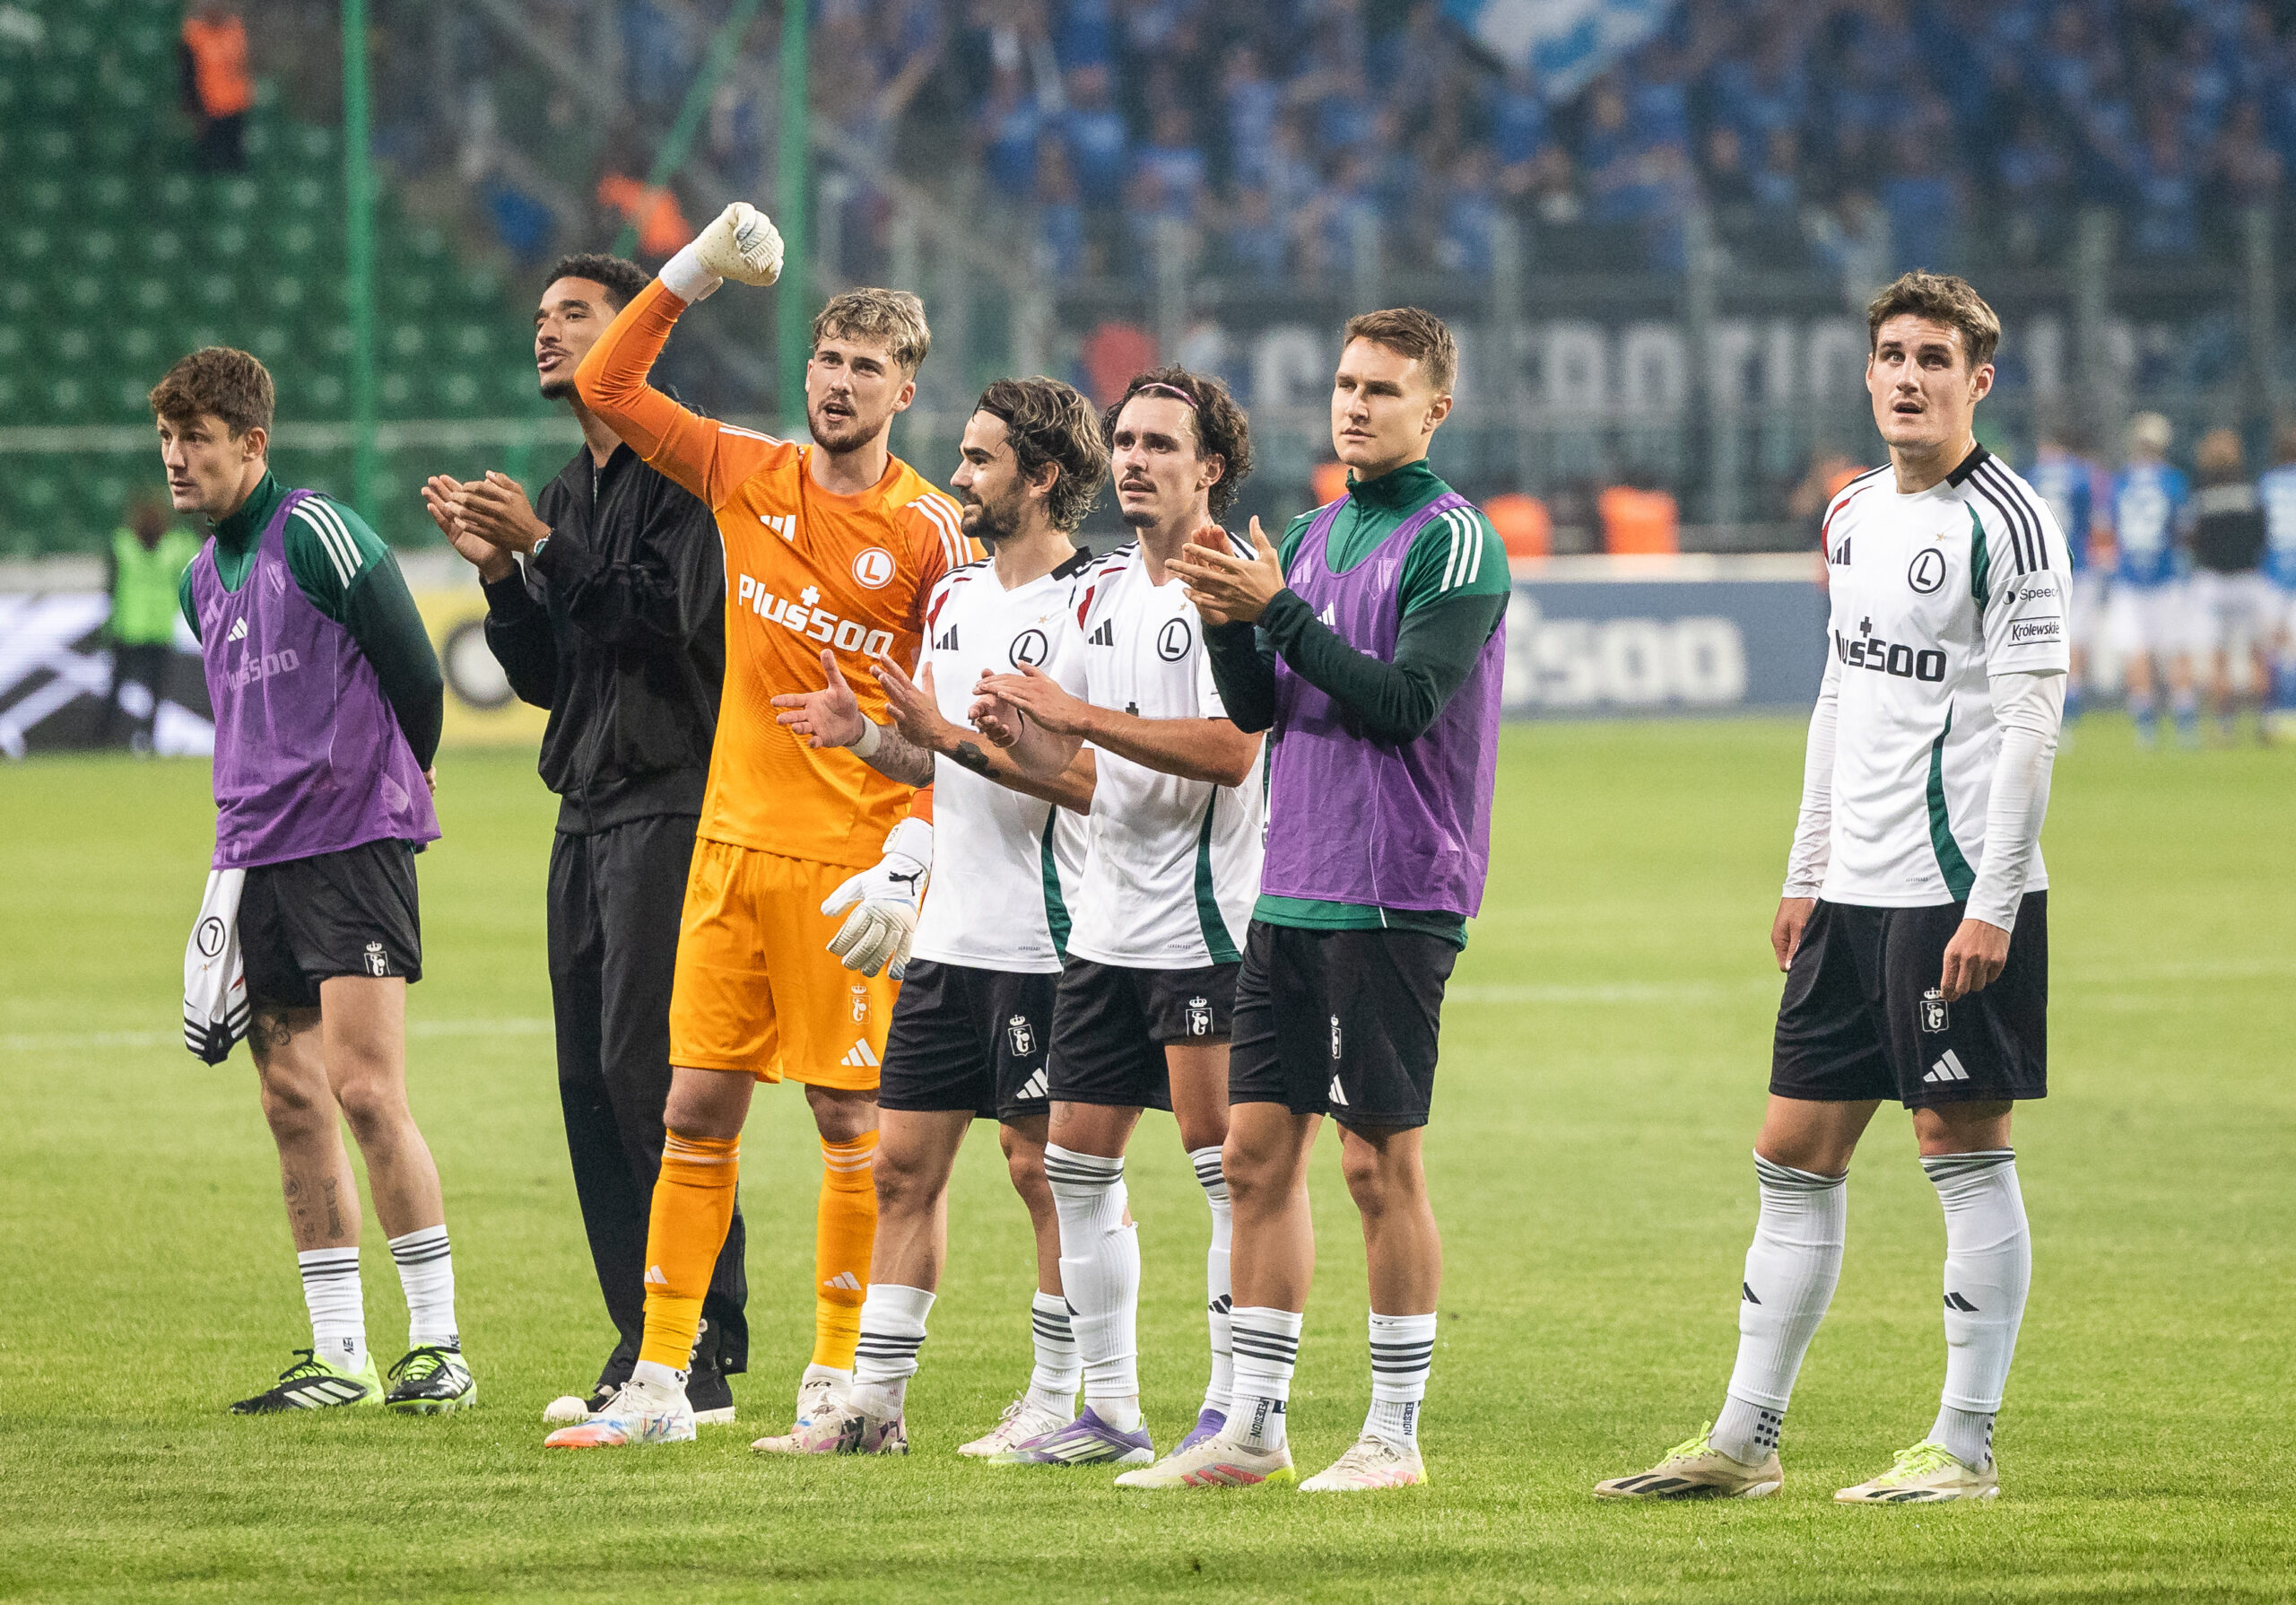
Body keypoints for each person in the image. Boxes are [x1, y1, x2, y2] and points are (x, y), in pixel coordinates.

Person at [1595, 271, 2066, 1505]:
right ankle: (1746, 1440)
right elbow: (1843, 695)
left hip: (1952, 886)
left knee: (1959, 1144)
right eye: (1892, 355)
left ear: (1979, 380)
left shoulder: (2007, 523)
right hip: (1851, 895)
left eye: (1935, 358)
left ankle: (1963, 1445)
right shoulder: (1850, 514)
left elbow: (2031, 723)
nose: (1909, 376)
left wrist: (1995, 901)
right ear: (1867, 373)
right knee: (1792, 1150)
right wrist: (1808, 869)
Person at [543, 205, 976, 1452]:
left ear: (905, 387)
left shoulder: (931, 533)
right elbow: (608, 379)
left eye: (866, 369)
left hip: (853, 868)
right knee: (692, 1110)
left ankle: (838, 1376)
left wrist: (916, 853)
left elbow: (952, 725)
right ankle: (665, 1381)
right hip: (729, 849)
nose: (839, 385)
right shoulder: (747, 472)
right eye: (827, 362)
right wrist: (692, 272)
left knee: (850, 1126)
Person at [1135, 308, 1511, 1492]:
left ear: (1434, 410)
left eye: (1383, 390)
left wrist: (1276, 612)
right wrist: (1226, 625)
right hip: (1291, 885)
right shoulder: (1306, 530)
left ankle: (1394, 1435)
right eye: (1346, 384)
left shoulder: (1456, 544)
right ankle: (1254, 1427)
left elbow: (1404, 702)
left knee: (1374, 1165)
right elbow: (1261, 710)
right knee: (1255, 1155)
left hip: (1397, 889)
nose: (1355, 404)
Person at [421, 253, 747, 1426]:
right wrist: (508, 578)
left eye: (577, 315)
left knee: (649, 1075)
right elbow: (553, 679)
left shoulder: (691, 473)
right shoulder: (565, 486)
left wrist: (549, 552)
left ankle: (694, 1346)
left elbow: (670, 628)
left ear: (636, 345)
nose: (549, 331)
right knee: (587, 1083)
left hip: (673, 796)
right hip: (588, 808)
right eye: (543, 312)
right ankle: (646, 1337)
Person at [764, 377, 1109, 1455]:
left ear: (1041, 477)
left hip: (1047, 936)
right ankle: (873, 1408)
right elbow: (934, 756)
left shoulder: (1091, 608)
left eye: (979, 459)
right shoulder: (957, 599)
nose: (956, 475)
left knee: (1043, 1173)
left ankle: (1062, 1399)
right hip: (948, 938)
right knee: (901, 1166)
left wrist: (950, 740)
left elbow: (1093, 779)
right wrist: (866, 735)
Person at [155, 346, 469, 1414]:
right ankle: (340, 1355)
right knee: (291, 1100)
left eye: (196, 439)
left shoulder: (318, 533)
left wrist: (393, 787)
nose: (176, 459)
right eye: (167, 439)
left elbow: (417, 677)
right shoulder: (197, 578)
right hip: (253, 859)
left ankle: (439, 1346)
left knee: (368, 1089)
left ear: (253, 442)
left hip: (348, 845)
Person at [969, 367, 1265, 1470]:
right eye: (1125, 441)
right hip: (1102, 930)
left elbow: (1234, 752)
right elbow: (1084, 767)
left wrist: (1076, 714)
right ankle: (1111, 1409)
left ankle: (1230, 1409)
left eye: (1159, 443)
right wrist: (1011, 734)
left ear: (1210, 468)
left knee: (1223, 1169)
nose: (1134, 458)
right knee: (1074, 1168)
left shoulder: (1226, 587)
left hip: (1201, 926)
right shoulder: (1097, 596)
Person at [2102, 412, 2196, 747]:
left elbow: (2109, 532)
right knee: (2175, 650)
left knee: (2136, 651)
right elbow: (2184, 532)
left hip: (2129, 576)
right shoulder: (2173, 480)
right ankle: (2185, 722)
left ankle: (2146, 726)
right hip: (2166, 574)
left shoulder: (2122, 481)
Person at [2187, 428, 2274, 743]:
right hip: (2248, 579)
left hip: (2213, 582)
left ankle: (2225, 726)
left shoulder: (2202, 495)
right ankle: (2266, 720)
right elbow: (2263, 537)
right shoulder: (2251, 492)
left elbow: (2193, 541)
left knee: (2220, 655)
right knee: (2256, 652)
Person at [101, 493, 199, 751]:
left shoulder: (170, 544)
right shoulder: (125, 543)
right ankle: (108, 738)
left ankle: (136, 739)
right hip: (133, 628)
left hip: (147, 628)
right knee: (128, 689)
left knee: (148, 691)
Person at [2024, 425, 2105, 722]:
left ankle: (2042, 700)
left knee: (2042, 634)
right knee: (2076, 636)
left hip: (2040, 566)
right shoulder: (2083, 475)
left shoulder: (2032, 475)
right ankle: (2071, 701)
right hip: (2077, 564)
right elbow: (2091, 522)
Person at [2256, 423, 2296, 742]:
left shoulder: (2267, 483)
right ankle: (2287, 714)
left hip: (2272, 573)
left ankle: (2271, 715)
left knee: (2273, 648)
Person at [179, 3, 252, 173]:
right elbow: (187, 76)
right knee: (209, 164)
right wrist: (195, 111)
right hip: (208, 110)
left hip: (235, 109)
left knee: (234, 165)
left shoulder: (235, 30)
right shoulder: (194, 35)